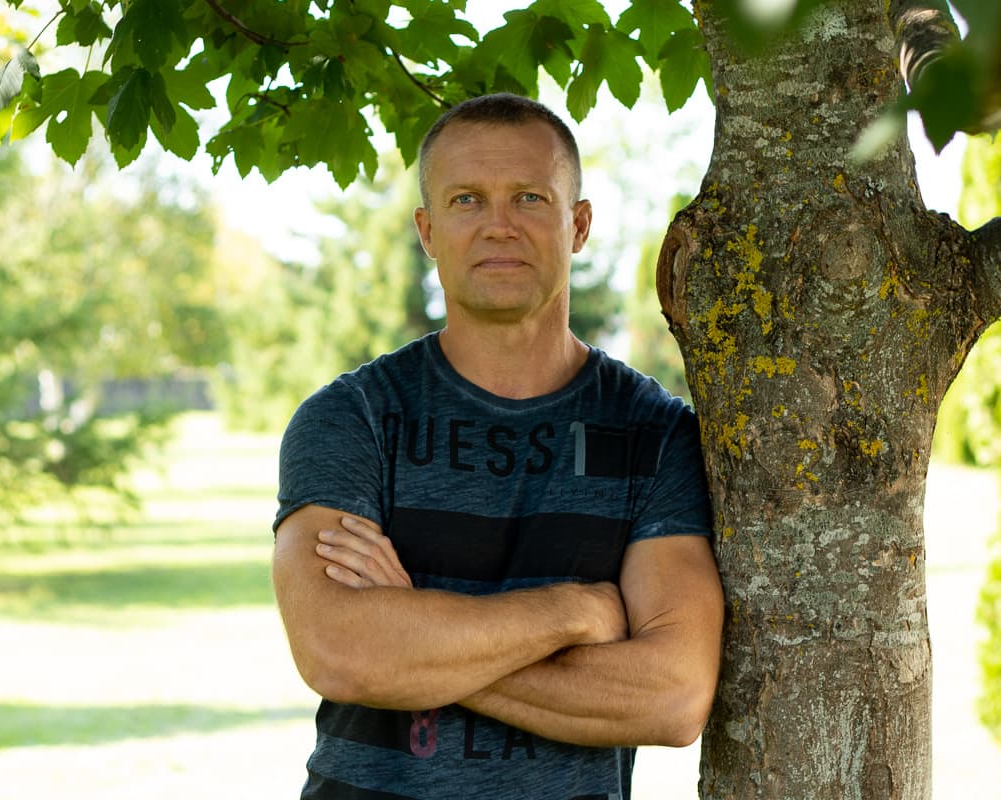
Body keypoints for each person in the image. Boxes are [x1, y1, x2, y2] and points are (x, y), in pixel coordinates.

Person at [271, 93, 723, 800]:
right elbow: (340, 652)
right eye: (466, 201)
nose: (499, 227)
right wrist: (575, 614)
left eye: (530, 198)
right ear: (428, 230)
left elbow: (672, 699)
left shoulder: (655, 435)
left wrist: (414, 631)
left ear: (578, 225)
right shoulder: (351, 418)